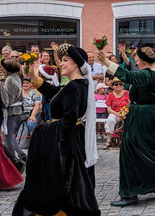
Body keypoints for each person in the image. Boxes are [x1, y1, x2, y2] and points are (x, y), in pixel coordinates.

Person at [13, 44, 99, 215]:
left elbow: (69, 120)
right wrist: (33, 76)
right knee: (73, 185)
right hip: (70, 139)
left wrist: (44, 131)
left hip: (65, 143)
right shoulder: (75, 85)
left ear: (76, 64)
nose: (60, 64)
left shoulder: (75, 87)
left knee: (63, 183)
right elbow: (54, 92)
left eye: (65, 60)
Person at [97, 47, 155, 206]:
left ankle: (130, 194)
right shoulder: (153, 73)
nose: (135, 62)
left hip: (145, 117)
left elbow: (127, 75)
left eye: (137, 59)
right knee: (149, 153)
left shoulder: (148, 74)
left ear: (143, 60)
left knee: (131, 152)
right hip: (145, 115)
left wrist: (105, 61)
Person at [1, 59, 26, 172]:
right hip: (16, 110)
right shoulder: (16, 78)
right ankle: (21, 154)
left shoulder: (10, 80)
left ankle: (14, 161)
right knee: (10, 135)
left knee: (8, 136)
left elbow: (8, 101)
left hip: (11, 111)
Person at [103, 77, 130, 149]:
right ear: (113, 86)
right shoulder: (110, 95)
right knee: (110, 120)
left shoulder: (127, 93)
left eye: (120, 84)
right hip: (114, 113)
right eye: (116, 84)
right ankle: (109, 140)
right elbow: (109, 109)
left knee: (129, 120)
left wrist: (124, 113)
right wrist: (117, 114)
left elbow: (130, 105)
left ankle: (127, 140)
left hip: (125, 113)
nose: (118, 85)